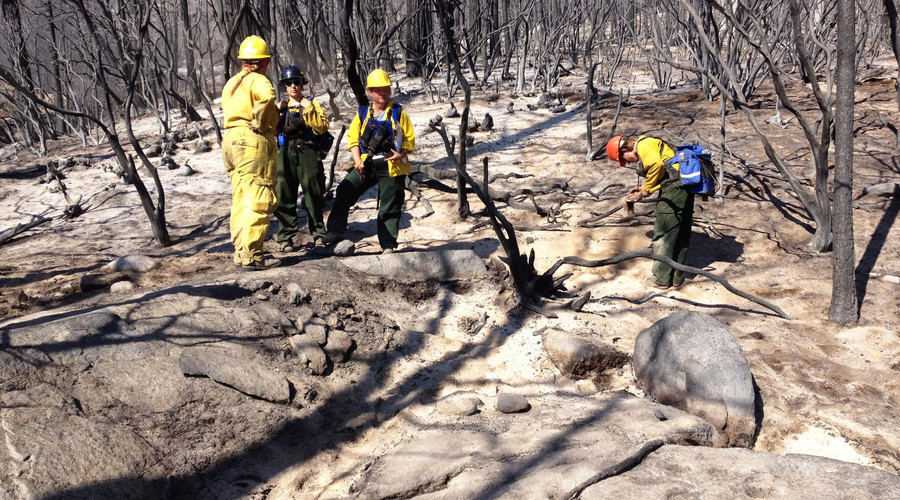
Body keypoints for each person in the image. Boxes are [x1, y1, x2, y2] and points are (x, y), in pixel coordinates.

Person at [321, 69, 415, 253]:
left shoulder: (398, 112)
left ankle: (388, 245)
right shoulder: (364, 112)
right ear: (370, 92)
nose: (383, 94)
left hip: (391, 165)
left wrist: (401, 154)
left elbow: (409, 138)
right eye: (378, 90)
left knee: (390, 203)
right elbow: (353, 138)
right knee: (345, 189)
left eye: (386, 90)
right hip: (367, 162)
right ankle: (335, 230)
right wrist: (357, 160)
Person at [606, 134, 694, 289]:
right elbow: (666, 170)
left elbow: (657, 165)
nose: (627, 162)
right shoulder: (650, 144)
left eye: (624, 159)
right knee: (680, 233)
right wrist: (646, 187)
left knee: (664, 233)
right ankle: (675, 278)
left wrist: (646, 190)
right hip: (683, 187)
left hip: (674, 190)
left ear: (625, 149)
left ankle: (660, 279)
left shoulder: (643, 145)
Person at [273, 65, 330, 251]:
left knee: (313, 193)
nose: (293, 86)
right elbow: (271, 129)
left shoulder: (312, 104)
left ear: (302, 84)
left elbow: (321, 127)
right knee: (284, 194)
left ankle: (319, 235)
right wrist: (275, 112)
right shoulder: (280, 107)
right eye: (289, 83)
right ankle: (286, 238)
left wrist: (308, 109)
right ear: (284, 87)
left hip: (308, 152)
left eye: (296, 82)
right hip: (285, 153)